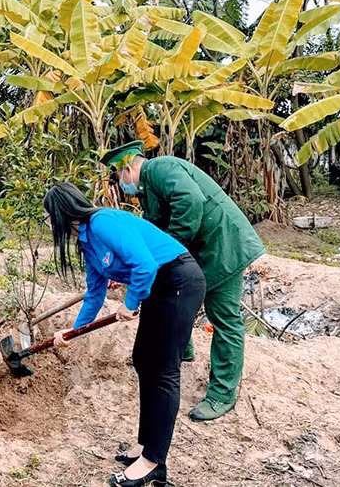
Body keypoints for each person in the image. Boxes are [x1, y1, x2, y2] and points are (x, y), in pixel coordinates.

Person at [45, 183, 206, 487]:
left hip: (178, 280)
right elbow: (94, 293)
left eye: (49, 217)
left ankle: (153, 462)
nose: (50, 225)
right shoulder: (86, 242)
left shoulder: (102, 222)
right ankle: (145, 446)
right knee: (144, 360)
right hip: (159, 286)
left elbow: (144, 264)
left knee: (164, 371)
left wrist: (130, 304)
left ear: (61, 211)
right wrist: (73, 330)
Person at [104, 140, 265, 421]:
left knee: (224, 317)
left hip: (223, 246)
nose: (121, 186)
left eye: (118, 178)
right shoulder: (148, 191)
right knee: (171, 291)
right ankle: (182, 349)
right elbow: (151, 236)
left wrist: (169, 250)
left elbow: (190, 203)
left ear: (127, 168)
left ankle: (222, 394)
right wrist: (127, 270)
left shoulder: (162, 169)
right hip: (201, 251)